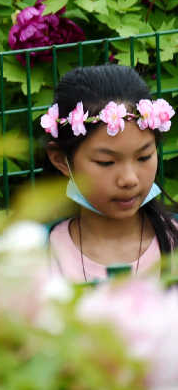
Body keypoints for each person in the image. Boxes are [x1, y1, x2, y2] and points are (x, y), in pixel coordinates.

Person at [41, 64, 177, 282]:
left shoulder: (173, 242)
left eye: (143, 157)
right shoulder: (39, 258)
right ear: (62, 161)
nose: (129, 179)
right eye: (106, 162)